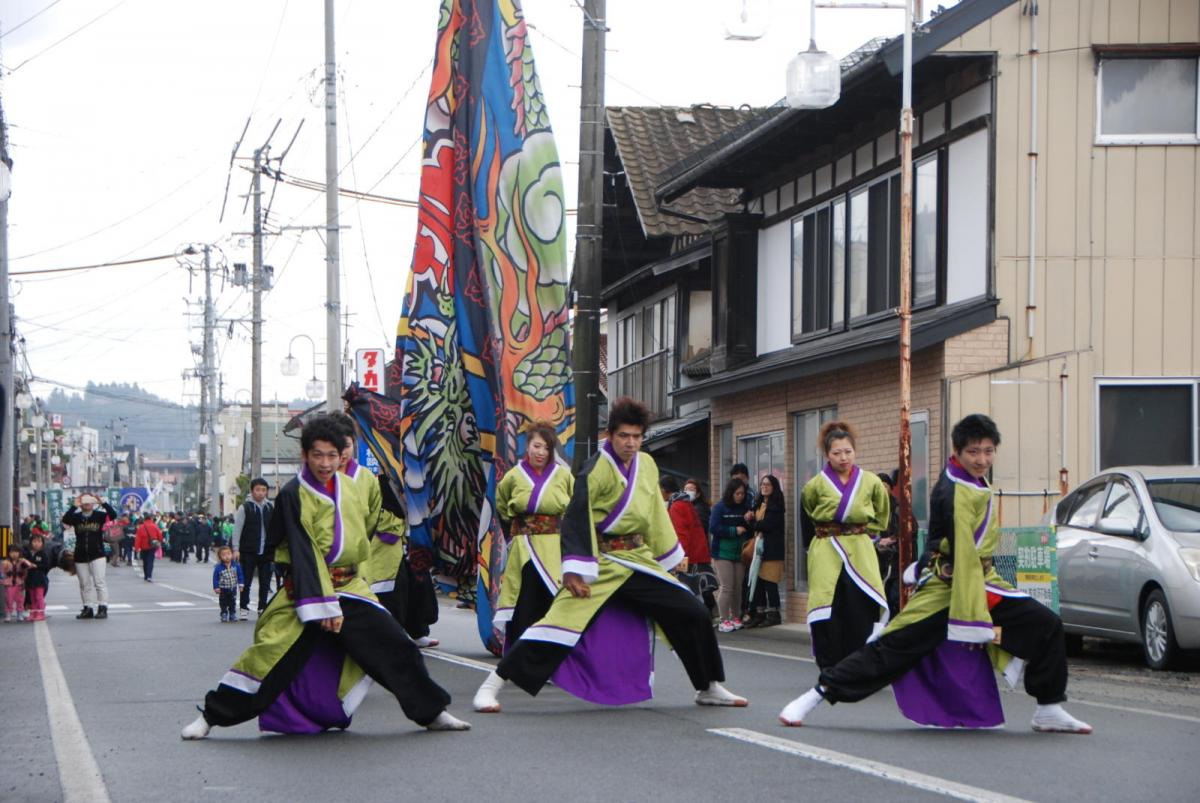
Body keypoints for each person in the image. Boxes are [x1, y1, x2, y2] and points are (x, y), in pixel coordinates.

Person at [779, 414, 1093, 734]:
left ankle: (1049, 706)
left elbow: (937, 539)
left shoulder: (968, 478)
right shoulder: (954, 489)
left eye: (988, 451)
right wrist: (972, 615)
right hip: (948, 587)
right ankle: (817, 694)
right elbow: (960, 551)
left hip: (978, 580)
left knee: (1047, 625)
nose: (982, 459)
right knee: (892, 647)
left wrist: (928, 561)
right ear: (957, 451)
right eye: (973, 452)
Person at [180, 416, 470, 740]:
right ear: (305, 455)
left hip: (350, 586)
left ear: (342, 455)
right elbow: (303, 551)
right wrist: (324, 605)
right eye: (318, 455)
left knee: (395, 644)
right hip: (305, 591)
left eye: (332, 455)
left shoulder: (354, 487)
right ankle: (210, 716)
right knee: (269, 657)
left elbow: (367, 526)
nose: (326, 462)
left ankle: (431, 712)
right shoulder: (294, 494)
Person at [472, 396, 747, 713]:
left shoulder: (646, 465)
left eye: (637, 437)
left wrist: (671, 556)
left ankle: (708, 685)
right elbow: (577, 516)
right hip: (600, 562)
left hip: (638, 560)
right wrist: (574, 570)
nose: (631, 443)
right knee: (557, 624)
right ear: (610, 435)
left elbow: (656, 511)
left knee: (692, 611)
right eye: (624, 436)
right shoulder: (596, 468)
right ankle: (491, 685)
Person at [800, 421, 891, 669]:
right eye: (836, 453)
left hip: (860, 549)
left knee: (861, 604)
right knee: (828, 605)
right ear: (827, 455)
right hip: (825, 548)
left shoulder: (871, 482)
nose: (843, 458)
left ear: (855, 451)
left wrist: (865, 534)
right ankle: (830, 665)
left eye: (848, 451)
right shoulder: (814, 486)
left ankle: (859, 663)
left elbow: (882, 515)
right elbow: (808, 514)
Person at [489, 422, 573, 656]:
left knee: (550, 599)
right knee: (523, 599)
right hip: (524, 546)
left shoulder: (563, 475)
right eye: (537, 446)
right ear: (528, 446)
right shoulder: (513, 476)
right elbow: (502, 505)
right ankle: (519, 656)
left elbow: (574, 507)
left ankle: (548, 657)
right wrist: (517, 527)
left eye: (546, 448)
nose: (541, 452)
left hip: (553, 547)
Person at [661, 475, 717, 617]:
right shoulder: (685, 503)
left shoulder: (676, 506)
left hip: (689, 556)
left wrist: (679, 558)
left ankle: (697, 618)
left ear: (664, 490)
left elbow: (681, 535)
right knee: (698, 589)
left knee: (690, 590)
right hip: (697, 553)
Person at [62, 493, 119, 620]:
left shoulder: (99, 515)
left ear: (93, 503)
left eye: (89, 500)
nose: (87, 503)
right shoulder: (76, 517)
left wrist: (103, 503)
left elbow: (113, 515)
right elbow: (65, 521)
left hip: (97, 553)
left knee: (99, 582)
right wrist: (73, 506)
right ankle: (87, 608)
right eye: (84, 501)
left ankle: (102, 607)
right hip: (80, 554)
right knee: (84, 583)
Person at [709, 478, 751, 632]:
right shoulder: (720, 508)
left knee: (737, 587)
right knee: (726, 587)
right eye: (737, 493)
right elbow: (713, 528)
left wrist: (748, 520)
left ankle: (735, 616)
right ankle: (723, 619)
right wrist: (733, 531)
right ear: (731, 493)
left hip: (739, 552)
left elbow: (749, 528)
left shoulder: (745, 508)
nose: (740, 496)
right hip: (722, 552)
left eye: (742, 493)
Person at [744, 475, 785, 628]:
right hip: (759, 550)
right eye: (762, 484)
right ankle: (759, 613)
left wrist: (754, 522)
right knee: (758, 581)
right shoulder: (759, 504)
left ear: (774, 487)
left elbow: (766, 525)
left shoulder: (776, 505)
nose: (764, 487)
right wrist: (751, 519)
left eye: (768, 484)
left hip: (772, 550)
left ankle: (774, 613)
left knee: (770, 581)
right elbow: (755, 524)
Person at [234, 479, 274, 620]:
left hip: (266, 551)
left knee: (265, 582)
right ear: (252, 491)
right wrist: (236, 549)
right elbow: (237, 530)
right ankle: (244, 607)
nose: (261, 493)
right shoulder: (245, 507)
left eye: (263, 490)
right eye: (258, 490)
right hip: (248, 550)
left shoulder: (270, 507)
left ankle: (262, 607)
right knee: (246, 581)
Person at [212, 546, 244, 623]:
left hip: (233, 588)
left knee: (233, 602)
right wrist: (216, 587)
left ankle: (232, 614)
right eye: (224, 555)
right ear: (220, 557)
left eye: (229, 554)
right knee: (223, 602)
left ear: (232, 554)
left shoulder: (236, 565)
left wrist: (241, 585)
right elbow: (215, 578)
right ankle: (224, 613)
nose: (227, 556)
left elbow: (240, 575)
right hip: (223, 589)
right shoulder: (218, 567)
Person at [24, 533, 52, 621]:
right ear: (31, 543)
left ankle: (41, 613)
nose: (37, 543)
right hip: (30, 579)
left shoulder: (43, 554)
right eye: (34, 541)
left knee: (39, 596)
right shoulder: (28, 554)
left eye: (39, 541)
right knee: (32, 597)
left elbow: (46, 566)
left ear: (42, 543)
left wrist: (36, 566)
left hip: (40, 580)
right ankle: (33, 613)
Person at [3, 545, 31, 622]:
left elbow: (29, 566)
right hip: (9, 583)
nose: (14, 554)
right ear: (8, 553)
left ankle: (20, 614)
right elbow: (2, 572)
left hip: (19, 583)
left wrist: (24, 561)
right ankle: (8, 614)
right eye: (12, 552)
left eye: (16, 552)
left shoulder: (21, 561)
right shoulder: (6, 562)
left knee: (20, 600)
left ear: (19, 553)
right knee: (9, 599)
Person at [134, 514, 163, 582]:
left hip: (143, 546)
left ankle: (146, 575)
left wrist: (137, 548)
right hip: (152, 546)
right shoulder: (155, 526)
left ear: (144, 519)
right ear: (151, 519)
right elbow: (160, 535)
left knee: (145, 561)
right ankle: (149, 576)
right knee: (150, 561)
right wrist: (160, 541)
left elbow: (138, 538)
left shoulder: (141, 527)